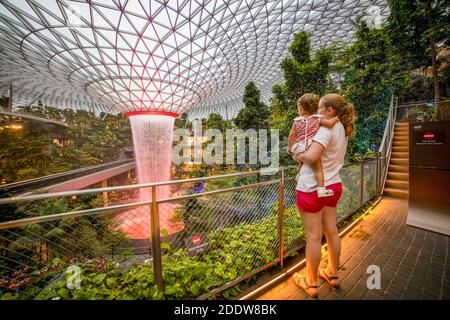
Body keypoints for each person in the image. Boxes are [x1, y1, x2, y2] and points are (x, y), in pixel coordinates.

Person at [291, 93, 356, 298]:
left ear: (329, 111)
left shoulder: (323, 130)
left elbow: (311, 156)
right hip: (333, 186)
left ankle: (311, 284)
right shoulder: (342, 129)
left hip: (312, 189)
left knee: (313, 237)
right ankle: (332, 274)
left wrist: (297, 155)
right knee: (331, 231)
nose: (317, 112)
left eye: (320, 108)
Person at [288, 93, 340, 197]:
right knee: (318, 169)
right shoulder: (318, 119)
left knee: (302, 160)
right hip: (311, 146)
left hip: (299, 147)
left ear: (301, 109)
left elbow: (291, 135)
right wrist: (335, 119)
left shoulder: (296, 122)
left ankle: (300, 174)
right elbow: (329, 125)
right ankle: (321, 189)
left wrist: (290, 147)